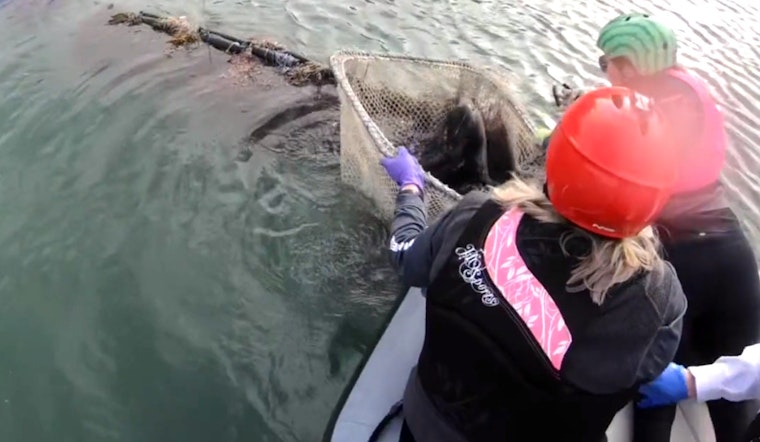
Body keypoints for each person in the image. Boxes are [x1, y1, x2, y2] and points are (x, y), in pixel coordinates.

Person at [380, 86, 688, 441]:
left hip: (425, 426)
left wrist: (411, 189)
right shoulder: (657, 299)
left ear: (557, 157)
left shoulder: (476, 215)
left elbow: (406, 256)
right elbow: (643, 372)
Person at [591, 12, 760, 441]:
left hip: (684, 259)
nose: (604, 71)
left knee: (654, 386)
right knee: (734, 404)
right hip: (734, 256)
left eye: (605, 62)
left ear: (628, 67)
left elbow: (605, 184)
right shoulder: (689, 89)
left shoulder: (643, 113)